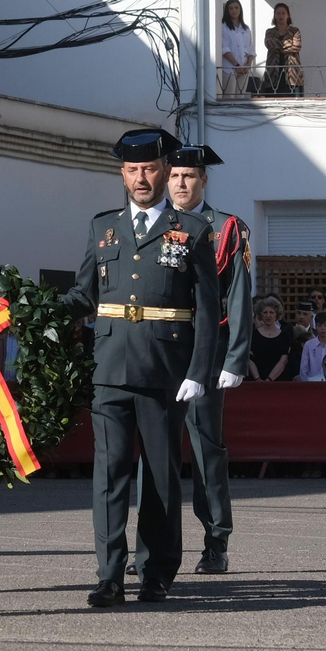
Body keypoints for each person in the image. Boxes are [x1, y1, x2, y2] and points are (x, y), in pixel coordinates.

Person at [61, 127, 220, 609]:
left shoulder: (191, 231)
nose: (141, 178)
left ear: (166, 170)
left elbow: (208, 310)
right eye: (131, 170)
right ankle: (109, 574)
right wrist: (36, 306)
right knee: (109, 475)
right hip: (110, 366)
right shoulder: (101, 227)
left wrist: (198, 370)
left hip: (163, 370)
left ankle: (157, 572)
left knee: (161, 475)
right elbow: (84, 295)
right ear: (122, 174)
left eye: (149, 169)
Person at [161, 145, 253, 575]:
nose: (181, 183)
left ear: (204, 180)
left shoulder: (227, 229)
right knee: (155, 449)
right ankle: (152, 544)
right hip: (160, 351)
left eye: (189, 176)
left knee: (205, 450)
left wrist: (235, 358)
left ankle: (216, 541)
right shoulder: (154, 224)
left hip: (208, 350)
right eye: (175, 175)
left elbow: (238, 297)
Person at [261, 2, 303, 97]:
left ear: (288, 15)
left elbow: (297, 46)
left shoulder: (295, 31)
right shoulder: (270, 32)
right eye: (278, 13)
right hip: (273, 73)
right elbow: (269, 44)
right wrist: (289, 44)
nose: (281, 15)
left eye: (283, 13)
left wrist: (277, 46)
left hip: (292, 73)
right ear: (274, 15)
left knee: (293, 104)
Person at [246, 300, 292, 381]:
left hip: (278, 381)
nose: (268, 315)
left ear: (276, 314)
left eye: (271, 312)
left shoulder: (285, 336)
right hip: (256, 381)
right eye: (265, 312)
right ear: (260, 315)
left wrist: (269, 379)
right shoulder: (253, 335)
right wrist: (258, 378)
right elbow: (249, 359)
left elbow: (283, 360)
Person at [219, 0, 256, 96]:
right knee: (229, 97)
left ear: (240, 9)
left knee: (241, 97)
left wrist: (248, 65)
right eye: (231, 8)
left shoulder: (246, 28)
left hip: (244, 68)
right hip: (229, 68)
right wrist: (236, 65)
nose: (234, 10)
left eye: (236, 8)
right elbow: (224, 48)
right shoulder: (223, 27)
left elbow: (251, 49)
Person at [297, 311, 326, 381]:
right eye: (319, 325)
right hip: (312, 383)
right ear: (315, 326)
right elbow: (304, 369)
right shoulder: (308, 345)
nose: (322, 328)